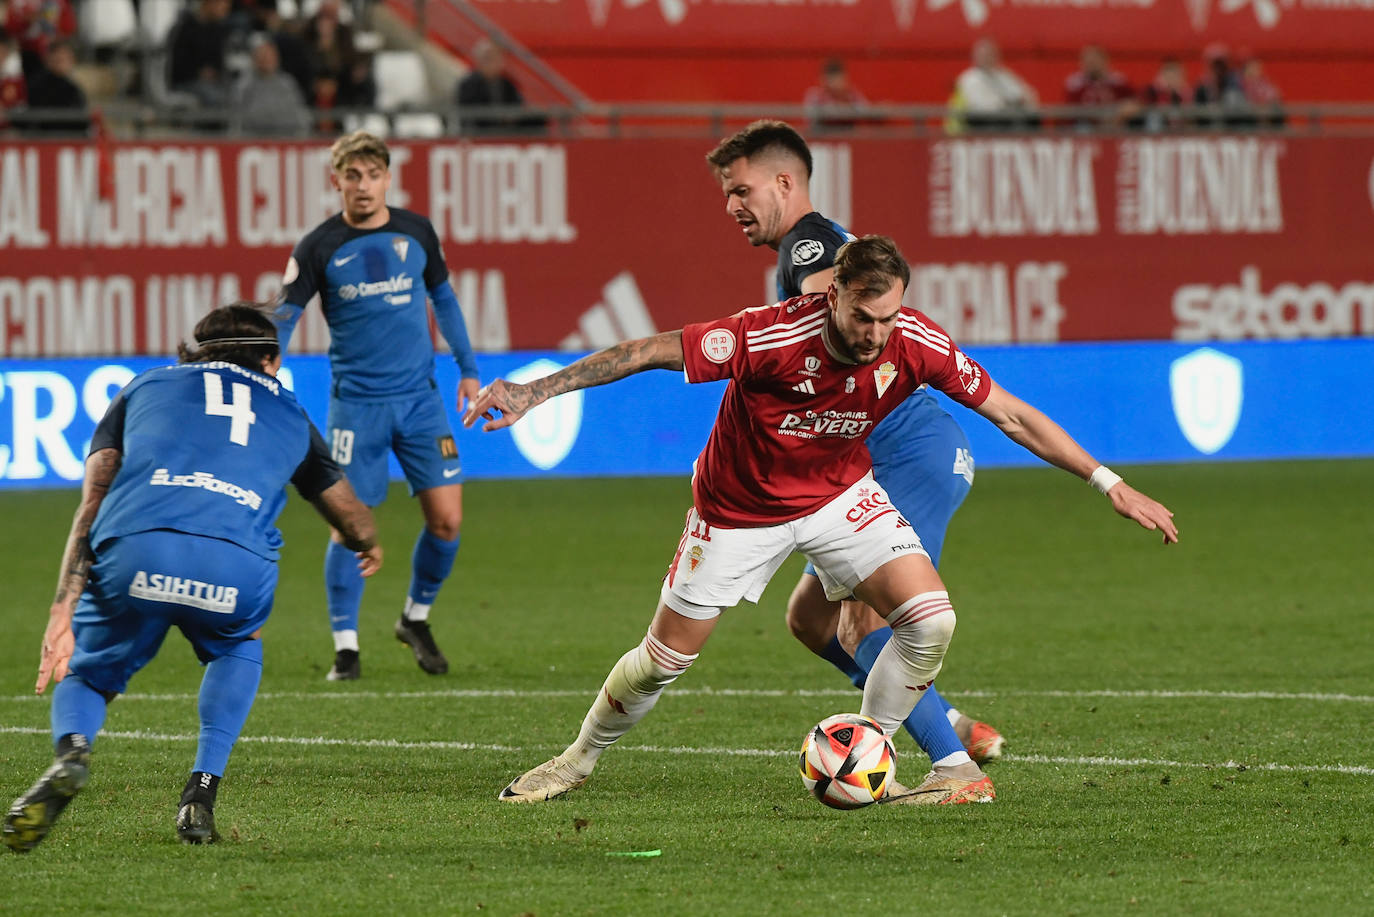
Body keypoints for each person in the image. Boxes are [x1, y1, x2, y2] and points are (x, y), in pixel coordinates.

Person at [464, 236, 1178, 805]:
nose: (874, 335)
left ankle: (867, 751)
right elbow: (647, 350)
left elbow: (1011, 413)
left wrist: (1106, 480)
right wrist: (536, 390)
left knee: (930, 620)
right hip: (738, 511)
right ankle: (575, 760)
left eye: (887, 318)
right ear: (833, 295)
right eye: (861, 317)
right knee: (663, 661)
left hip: (839, 496)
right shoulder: (770, 336)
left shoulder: (915, 343)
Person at [2, 304, 381, 852]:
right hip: (233, 568)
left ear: (194, 351)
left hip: (136, 551)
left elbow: (92, 502)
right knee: (238, 647)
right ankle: (200, 792)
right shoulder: (291, 411)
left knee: (86, 674)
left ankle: (73, 752)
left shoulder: (143, 386)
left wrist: (62, 610)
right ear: (271, 360)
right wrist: (366, 543)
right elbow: (353, 517)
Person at [705, 119, 1002, 803]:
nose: (732, 206)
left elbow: (823, 318)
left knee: (868, 618)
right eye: (726, 193)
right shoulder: (820, 236)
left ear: (786, 182)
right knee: (809, 619)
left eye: (742, 189)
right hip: (888, 456)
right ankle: (947, 716)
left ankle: (955, 767)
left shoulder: (809, 241)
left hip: (907, 448)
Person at [274, 130, 480, 681]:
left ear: (387, 178)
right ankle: (346, 647)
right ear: (335, 181)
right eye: (352, 176)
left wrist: (468, 369)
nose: (363, 186)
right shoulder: (317, 247)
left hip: (420, 403)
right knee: (349, 527)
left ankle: (415, 617)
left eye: (372, 175)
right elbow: (285, 317)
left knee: (447, 521)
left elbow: (444, 300)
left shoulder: (416, 232)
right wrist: (266, 368)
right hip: (356, 408)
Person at [453, 37, 544, 136]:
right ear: (479, 60)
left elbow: (518, 105)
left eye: (497, 57)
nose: (493, 62)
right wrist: (500, 117)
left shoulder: (507, 83)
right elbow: (468, 114)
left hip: (506, 133)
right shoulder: (468, 85)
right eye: (488, 58)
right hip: (479, 134)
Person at [953, 38, 1038, 132]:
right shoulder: (968, 79)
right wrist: (1009, 104)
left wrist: (1014, 104)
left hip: (1008, 120)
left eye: (990, 54)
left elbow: (1028, 96)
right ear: (975, 56)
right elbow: (984, 107)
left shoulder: (1004, 75)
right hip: (983, 124)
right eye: (984, 55)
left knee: (1031, 120)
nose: (987, 58)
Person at [234, 36, 310, 137]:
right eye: (263, 56)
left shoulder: (287, 83)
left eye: (271, 55)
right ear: (255, 58)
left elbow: (300, 114)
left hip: (285, 139)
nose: (267, 59)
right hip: (253, 140)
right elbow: (236, 119)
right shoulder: (244, 85)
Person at [1063, 45, 1136, 129]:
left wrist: (1124, 111)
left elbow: (1135, 102)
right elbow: (1072, 111)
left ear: (1105, 61)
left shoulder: (1119, 82)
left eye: (1094, 61)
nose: (1091, 65)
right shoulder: (1075, 84)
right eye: (1087, 61)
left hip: (1117, 126)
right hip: (1086, 129)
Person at [802, 58, 868, 132]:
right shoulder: (815, 94)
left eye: (839, 79)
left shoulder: (852, 94)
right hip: (822, 136)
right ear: (823, 79)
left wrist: (844, 101)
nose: (835, 83)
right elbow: (810, 115)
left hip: (848, 136)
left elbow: (866, 111)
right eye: (831, 79)